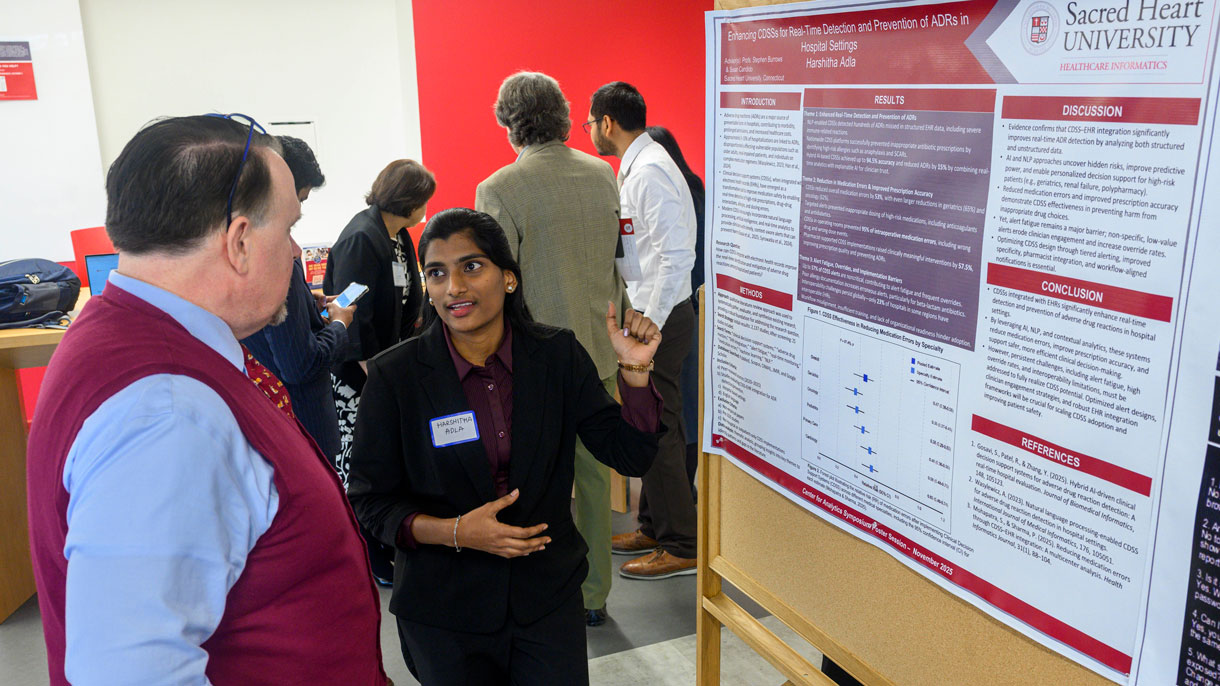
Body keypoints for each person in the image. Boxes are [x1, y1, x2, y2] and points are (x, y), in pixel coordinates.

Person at [25, 114, 387, 685]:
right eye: (288, 229)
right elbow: (130, 671)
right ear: (240, 241)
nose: (295, 252)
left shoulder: (123, 332)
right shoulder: (168, 411)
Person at [348, 207, 662, 685]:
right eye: (437, 272)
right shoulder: (396, 376)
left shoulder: (556, 356)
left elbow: (628, 454)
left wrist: (635, 375)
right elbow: (371, 502)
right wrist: (456, 531)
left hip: (546, 600)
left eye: (471, 266)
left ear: (509, 278)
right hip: (445, 610)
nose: (454, 286)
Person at [474, 70, 628, 626]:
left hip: (532, 360)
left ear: (508, 121)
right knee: (592, 480)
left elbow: (494, 284)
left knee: (527, 479)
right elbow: (617, 259)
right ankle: (592, 595)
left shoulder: (498, 189)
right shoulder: (602, 174)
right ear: (563, 116)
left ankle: (538, 587)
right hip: (598, 349)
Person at [588, 82, 699, 579]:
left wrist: (647, 318)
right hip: (654, 313)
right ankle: (654, 526)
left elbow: (677, 256)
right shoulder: (638, 167)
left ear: (607, 122)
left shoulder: (650, 171)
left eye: (590, 123)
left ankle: (683, 543)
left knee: (663, 427)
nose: (590, 131)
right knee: (653, 419)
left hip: (663, 318)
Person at [241, 135, 356, 462]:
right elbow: (299, 365)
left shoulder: (248, 259)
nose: (295, 248)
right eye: (299, 203)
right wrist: (338, 324)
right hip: (304, 428)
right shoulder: (276, 261)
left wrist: (306, 299)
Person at [325, 158, 436, 485]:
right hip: (357, 372)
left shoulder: (397, 235)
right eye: (424, 200)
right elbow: (352, 313)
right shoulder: (362, 238)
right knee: (358, 452)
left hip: (385, 364)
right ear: (410, 201)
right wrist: (378, 378)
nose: (426, 208)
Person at [645, 125, 705, 495]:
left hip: (675, 308)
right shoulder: (696, 189)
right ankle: (681, 498)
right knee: (683, 408)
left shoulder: (665, 193)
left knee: (671, 411)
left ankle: (680, 502)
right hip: (695, 309)